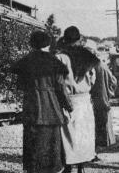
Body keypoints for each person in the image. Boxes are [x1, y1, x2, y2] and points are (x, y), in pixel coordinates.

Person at [10, 31, 73, 173]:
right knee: (52, 146)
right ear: (48, 44)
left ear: (31, 44)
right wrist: (69, 107)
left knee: (32, 145)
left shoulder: (25, 62)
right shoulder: (54, 62)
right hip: (51, 108)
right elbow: (61, 88)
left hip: (31, 108)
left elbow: (20, 85)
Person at [56, 26, 100, 173]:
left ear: (64, 39)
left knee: (69, 136)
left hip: (69, 100)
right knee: (83, 135)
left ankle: (68, 167)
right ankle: (81, 168)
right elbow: (93, 79)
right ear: (79, 39)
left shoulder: (61, 57)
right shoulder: (88, 56)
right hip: (84, 100)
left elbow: (58, 81)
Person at [85, 40, 117, 150]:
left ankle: (95, 146)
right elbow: (113, 81)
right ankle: (101, 144)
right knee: (102, 121)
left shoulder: (89, 65)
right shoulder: (102, 65)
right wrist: (109, 93)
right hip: (102, 97)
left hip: (92, 97)